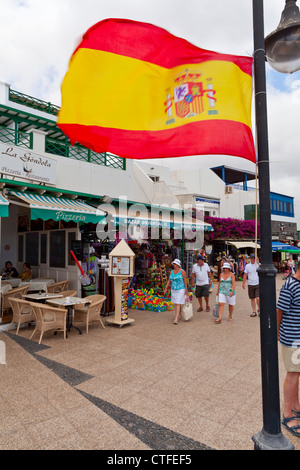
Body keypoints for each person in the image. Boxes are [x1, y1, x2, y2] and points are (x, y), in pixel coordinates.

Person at [277, 260, 300, 437]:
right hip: (293, 339)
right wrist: (276, 333)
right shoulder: (290, 286)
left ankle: (295, 405)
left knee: (297, 373)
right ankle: (287, 414)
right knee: (292, 374)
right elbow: (279, 311)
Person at [164, 259, 188, 324]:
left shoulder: (182, 271)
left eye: (174, 264)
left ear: (178, 264)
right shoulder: (171, 272)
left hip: (181, 289)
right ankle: (179, 314)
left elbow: (185, 281)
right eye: (173, 264)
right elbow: (169, 280)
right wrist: (166, 288)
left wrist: (186, 289)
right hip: (173, 289)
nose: (173, 265)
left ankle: (176, 318)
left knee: (177, 302)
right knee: (176, 303)